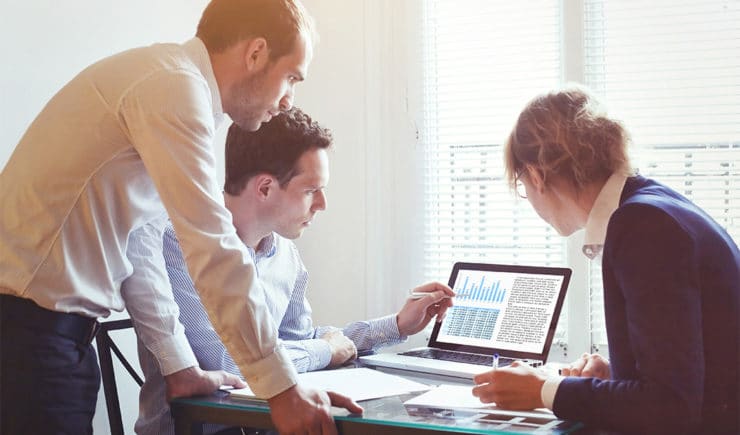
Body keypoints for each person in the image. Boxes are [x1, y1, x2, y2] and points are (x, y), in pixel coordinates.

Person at [0, 1, 360, 434]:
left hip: (50, 334)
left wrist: (179, 367)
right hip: (27, 332)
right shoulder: (174, 89)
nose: (288, 101)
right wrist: (282, 388)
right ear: (256, 53)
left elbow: (141, 244)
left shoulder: (174, 88)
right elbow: (212, 247)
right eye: (291, 78)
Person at [135, 107, 455, 435]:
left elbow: (297, 341)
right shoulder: (179, 242)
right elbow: (230, 363)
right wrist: (326, 350)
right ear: (264, 188)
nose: (322, 204)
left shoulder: (285, 254)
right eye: (310, 190)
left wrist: (396, 324)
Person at [470, 86, 739, 434]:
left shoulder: (642, 226)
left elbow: (671, 407)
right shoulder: (654, 204)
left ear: (536, 175)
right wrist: (614, 376)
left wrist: (544, 390)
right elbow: (690, 365)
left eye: (522, 185)